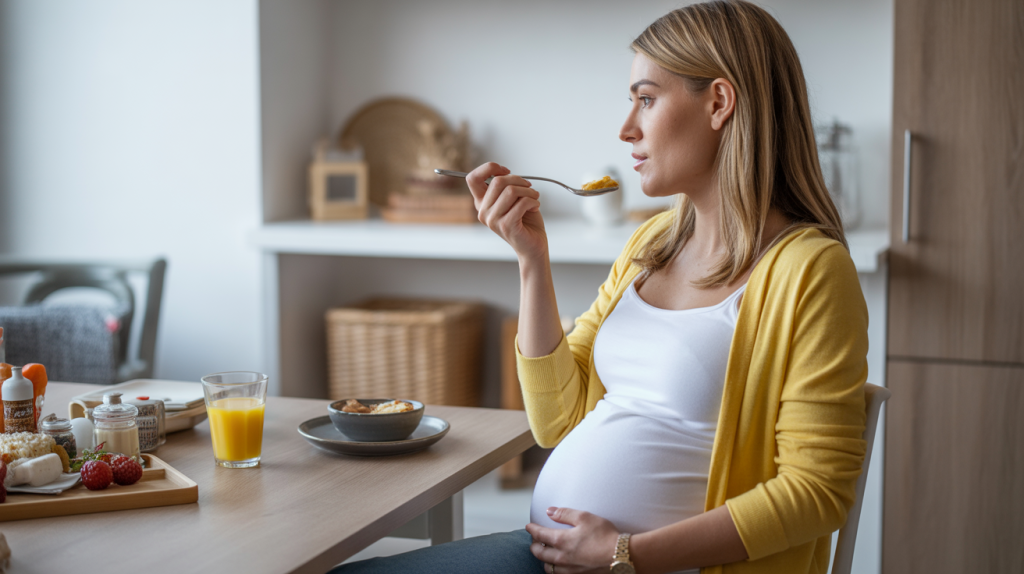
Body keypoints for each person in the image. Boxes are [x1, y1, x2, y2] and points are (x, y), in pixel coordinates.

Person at [335, 1, 867, 573]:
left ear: (718, 102)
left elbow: (817, 492)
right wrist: (531, 260)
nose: (626, 128)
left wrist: (624, 555)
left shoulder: (810, 271)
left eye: (645, 98)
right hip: (550, 554)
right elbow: (556, 420)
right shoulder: (652, 242)